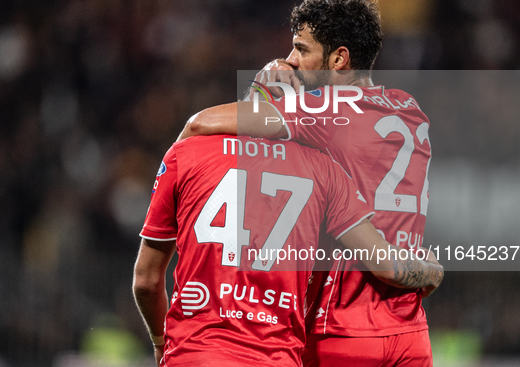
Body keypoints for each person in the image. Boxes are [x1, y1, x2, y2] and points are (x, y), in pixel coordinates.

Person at [178, 0, 436, 366]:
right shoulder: (411, 110)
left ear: (338, 58)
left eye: (301, 49)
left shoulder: (323, 110)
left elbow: (200, 125)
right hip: (409, 334)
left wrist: (261, 89)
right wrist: (430, 270)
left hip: (338, 330)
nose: (291, 61)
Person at [133, 134, 443, 366]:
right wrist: (431, 270)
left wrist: (162, 343)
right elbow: (385, 264)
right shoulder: (324, 169)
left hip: (195, 353)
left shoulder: (187, 152)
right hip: (277, 357)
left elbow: (146, 282)